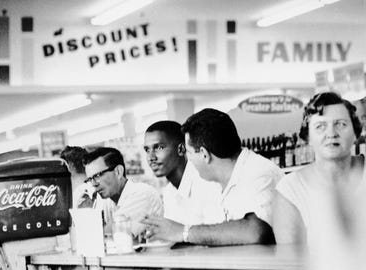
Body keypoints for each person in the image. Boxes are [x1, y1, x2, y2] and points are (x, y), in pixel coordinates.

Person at [142, 108, 283, 246]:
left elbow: (255, 232)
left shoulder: (259, 173)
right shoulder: (227, 178)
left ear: (204, 154)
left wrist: (184, 232)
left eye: (189, 153)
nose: (188, 161)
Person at [273, 92, 364, 244]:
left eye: (340, 124)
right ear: (307, 137)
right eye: (320, 126)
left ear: (355, 133)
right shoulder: (290, 190)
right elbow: (290, 261)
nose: (331, 133)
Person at [143, 120, 223, 225]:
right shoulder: (169, 192)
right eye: (147, 150)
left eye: (159, 147)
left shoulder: (205, 183)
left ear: (181, 149)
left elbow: (218, 235)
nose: (151, 157)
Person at [82, 147, 163, 237]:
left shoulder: (142, 193)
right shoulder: (106, 199)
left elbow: (106, 235)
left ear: (118, 172)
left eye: (97, 176)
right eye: (90, 179)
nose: (94, 184)